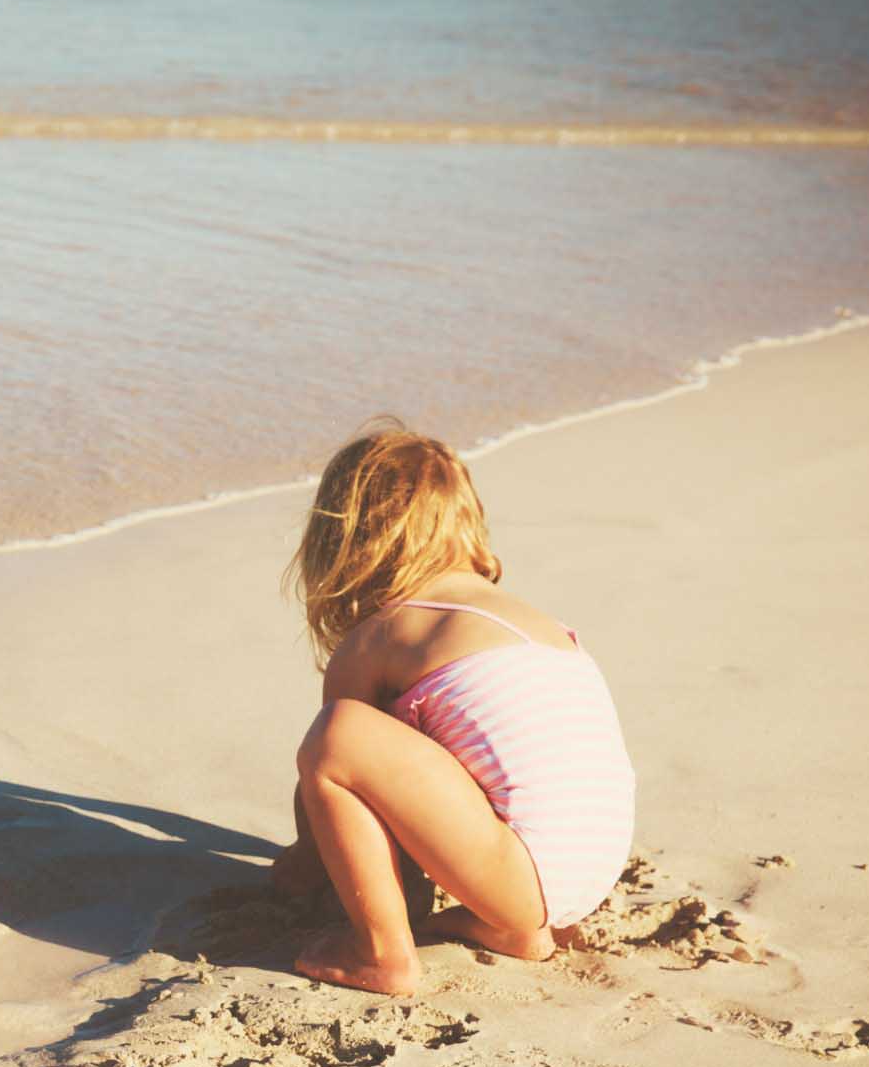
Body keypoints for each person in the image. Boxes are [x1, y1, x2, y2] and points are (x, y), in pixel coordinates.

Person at [271, 423, 634, 996]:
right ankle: (509, 927)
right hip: (590, 870)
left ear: (345, 540)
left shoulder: (380, 637)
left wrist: (303, 861)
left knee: (337, 737)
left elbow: (338, 779)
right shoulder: (520, 619)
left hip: (523, 873)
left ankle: (382, 956)